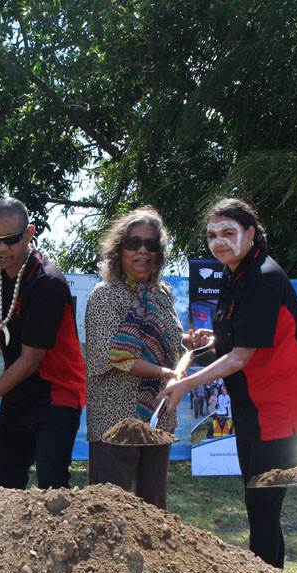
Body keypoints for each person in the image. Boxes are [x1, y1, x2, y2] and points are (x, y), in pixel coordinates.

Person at [160, 198, 297, 567]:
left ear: (250, 234)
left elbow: (242, 357)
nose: (219, 241)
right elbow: (241, 335)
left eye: (229, 233)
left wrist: (186, 383)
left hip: (282, 414)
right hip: (254, 409)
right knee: (258, 507)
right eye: (212, 235)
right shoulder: (236, 273)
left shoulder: (264, 277)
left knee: (263, 509)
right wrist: (211, 337)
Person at [0, 197, 85, 489]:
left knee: (52, 485)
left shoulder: (47, 283)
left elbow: (29, 361)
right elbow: (4, 318)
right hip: (19, 390)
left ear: (29, 233)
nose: (1, 248)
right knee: (4, 483)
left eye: (11, 240)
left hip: (57, 392)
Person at [84, 207, 194, 510]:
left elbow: (162, 340)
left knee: (154, 508)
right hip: (114, 423)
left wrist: (186, 342)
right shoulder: (105, 296)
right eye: (134, 243)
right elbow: (114, 357)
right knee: (108, 511)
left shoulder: (163, 293)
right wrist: (164, 372)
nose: (143, 250)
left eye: (151, 244)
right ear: (119, 250)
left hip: (157, 417)